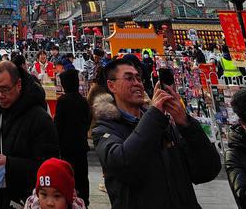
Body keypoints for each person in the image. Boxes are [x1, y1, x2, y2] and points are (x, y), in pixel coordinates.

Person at [92, 55, 220, 208]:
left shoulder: (164, 125)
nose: (137, 83)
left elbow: (207, 170)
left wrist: (187, 124)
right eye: (129, 78)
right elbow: (125, 166)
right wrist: (154, 115)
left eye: (138, 78)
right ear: (111, 86)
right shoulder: (104, 130)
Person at [0, 60, 60, 209]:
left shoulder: (39, 118)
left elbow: (49, 167)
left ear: (18, 84)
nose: (0, 95)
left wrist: (9, 164)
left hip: (22, 199)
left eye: (5, 89)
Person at [54, 68, 90, 204]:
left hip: (66, 146)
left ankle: (70, 200)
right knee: (82, 175)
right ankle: (84, 201)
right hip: (81, 145)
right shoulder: (83, 100)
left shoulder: (63, 101)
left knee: (68, 175)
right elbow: (87, 120)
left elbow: (58, 123)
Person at [23, 158, 87, 209]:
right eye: (44, 194)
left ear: (68, 199)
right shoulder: (31, 206)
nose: (49, 203)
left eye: (57, 196)